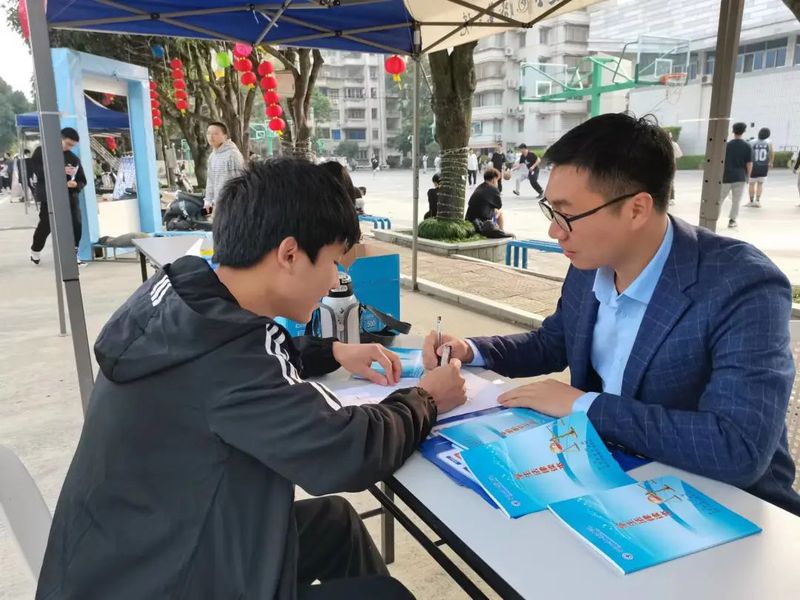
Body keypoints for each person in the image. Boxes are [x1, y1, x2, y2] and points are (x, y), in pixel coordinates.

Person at [36, 158, 468, 599]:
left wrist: (332, 350)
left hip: (130, 558)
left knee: (336, 523)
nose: (336, 280)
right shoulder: (232, 353)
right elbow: (345, 451)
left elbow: (237, 371)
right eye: (334, 262)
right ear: (289, 254)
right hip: (171, 581)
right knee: (386, 595)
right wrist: (426, 399)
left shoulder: (184, 297)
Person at [422, 113, 800, 517]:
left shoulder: (740, 285)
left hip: (728, 507)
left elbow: (738, 447)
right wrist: (471, 350)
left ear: (636, 209)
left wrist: (583, 406)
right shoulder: (591, 262)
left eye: (567, 215)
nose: (555, 231)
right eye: (551, 211)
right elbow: (554, 342)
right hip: (613, 480)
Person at [29, 128, 87, 266]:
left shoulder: (73, 159)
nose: (69, 147)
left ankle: (73, 254)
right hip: (49, 196)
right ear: (59, 138)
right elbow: (38, 172)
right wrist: (61, 177)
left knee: (76, 224)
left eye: (72, 145)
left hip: (70, 196)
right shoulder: (41, 152)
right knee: (46, 224)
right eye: (68, 144)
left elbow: (82, 180)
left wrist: (76, 184)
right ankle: (35, 249)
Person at [203, 121, 245, 214]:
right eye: (209, 133)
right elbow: (210, 181)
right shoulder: (212, 156)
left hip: (231, 205)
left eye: (215, 133)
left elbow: (239, 181)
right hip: (217, 204)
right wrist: (208, 201)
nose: (211, 136)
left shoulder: (232, 154)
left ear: (225, 136)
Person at [720, 122, 752, 229]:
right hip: (740, 176)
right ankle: (732, 220)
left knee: (720, 199)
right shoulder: (747, 146)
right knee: (736, 200)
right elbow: (749, 163)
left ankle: (714, 217)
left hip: (726, 176)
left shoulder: (727, 145)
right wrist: (748, 176)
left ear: (733, 131)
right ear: (744, 131)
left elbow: (721, 161)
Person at [746, 127, 773, 208]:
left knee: (751, 184)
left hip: (754, 166)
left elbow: (748, 154)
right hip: (764, 166)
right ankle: (757, 201)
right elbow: (771, 153)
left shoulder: (752, 142)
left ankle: (751, 201)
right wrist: (771, 162)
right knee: (760, 184)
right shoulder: (769, 143)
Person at [667, 131, 682, 205]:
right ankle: (670, 199)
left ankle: (669, 198)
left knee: (668, 181)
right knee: (670, 181)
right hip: (671, 164)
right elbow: (679, 155)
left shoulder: (672, 145)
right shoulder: (674, 144)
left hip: (668, 164)